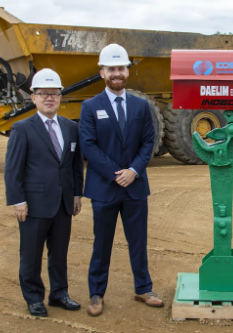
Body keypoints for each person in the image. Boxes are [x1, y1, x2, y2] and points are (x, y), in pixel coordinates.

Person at [79, 43, 162, 317]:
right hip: (104, 188)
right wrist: (117, 173)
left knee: (138, 241)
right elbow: (89, 146)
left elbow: (149, 142)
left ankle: (143, 288)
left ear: (127, 71)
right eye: (111, 68)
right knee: (101, 244)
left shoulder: (141, 105)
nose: (117, 73)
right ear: (102, 72)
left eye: (121, 68)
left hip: (135, 186)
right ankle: (96, 294)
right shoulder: (90, 107)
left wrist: (133, 171)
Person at [4, 69, 84, 317]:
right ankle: (34, 297)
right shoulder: (22, 128)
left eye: (54, 94)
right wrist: (18, 201)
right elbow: (13, 169)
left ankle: (59, 294)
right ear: (33, 97)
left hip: (62, 204)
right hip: (34, 205)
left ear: (60, 97)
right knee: (31, 254)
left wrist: (76, 194)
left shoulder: (70, 127)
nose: (49, 98)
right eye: (43, 94)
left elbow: (74, 164)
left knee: (59, 253)